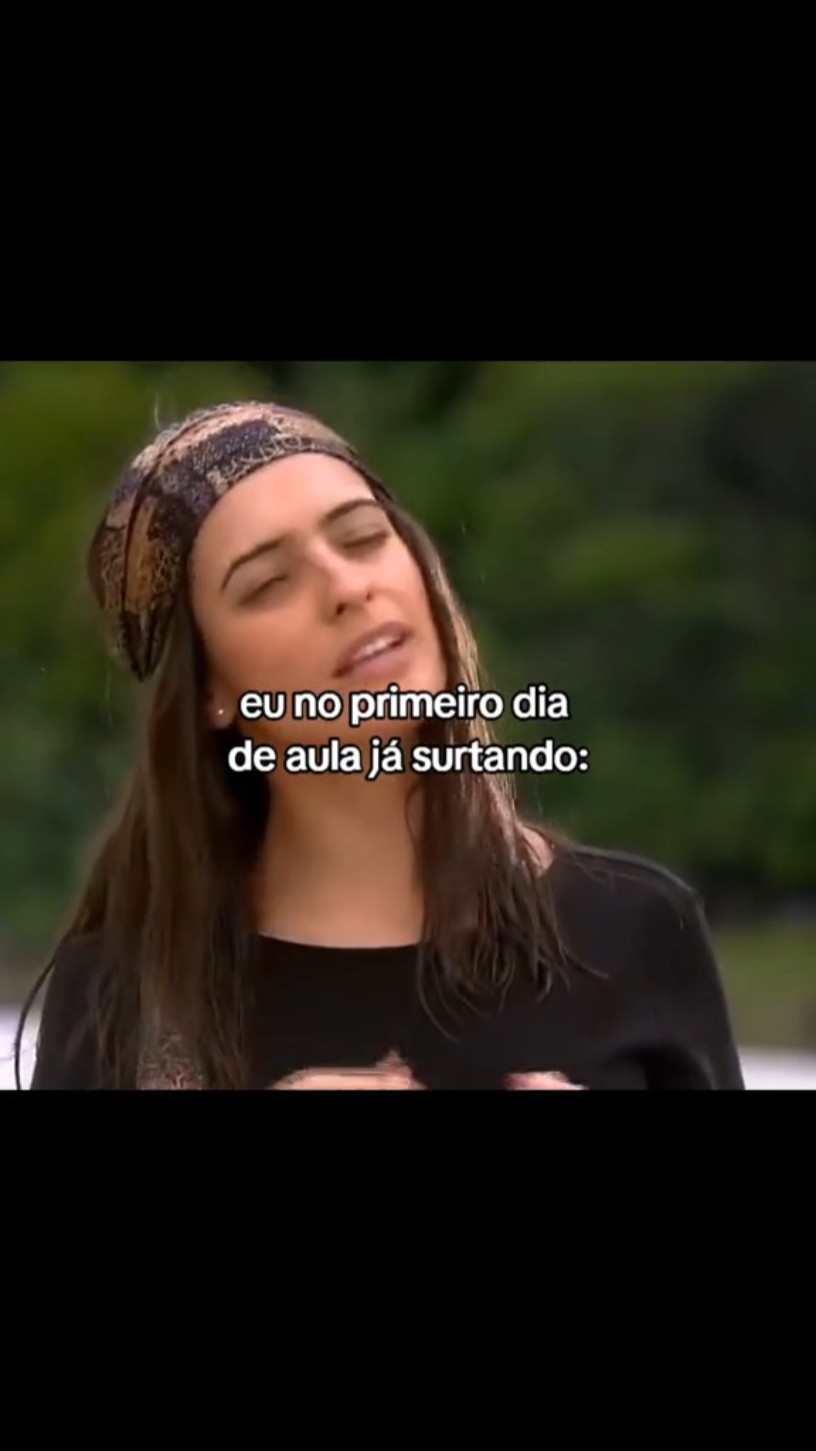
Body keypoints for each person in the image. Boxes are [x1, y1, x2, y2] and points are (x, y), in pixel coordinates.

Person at [17, 400, 745, 1090]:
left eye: (363, 537)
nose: (346, 586)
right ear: (211, 687)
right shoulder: (123, 993)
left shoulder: (636, 930)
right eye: (269, 583)